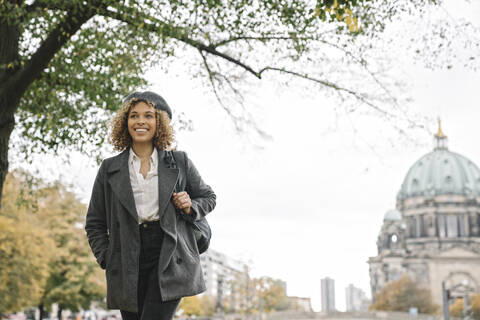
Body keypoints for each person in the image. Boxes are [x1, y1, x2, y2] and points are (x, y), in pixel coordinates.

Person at [85, 91, 216, 320]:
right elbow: (95, 222)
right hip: (126, 256)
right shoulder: (109, 168)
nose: (141, 121)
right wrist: (108, 257)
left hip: (168, 253)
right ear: (125, 122)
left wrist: (189, 206)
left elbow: (208, 197)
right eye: (134, 116)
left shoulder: (180, 161)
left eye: (148, 116)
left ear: (159, 122)